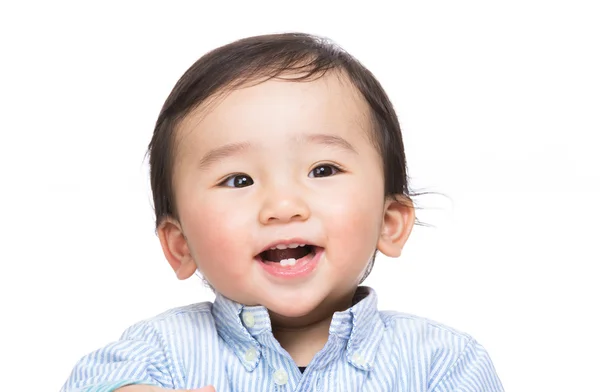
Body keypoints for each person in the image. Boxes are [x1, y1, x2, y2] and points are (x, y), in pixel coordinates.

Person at [60, 32, 503, 392]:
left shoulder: (441, 363)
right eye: (239, 180)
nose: (283, 207)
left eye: (322, 169)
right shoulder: (158, 355)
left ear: (390, 223)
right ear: (180, 246)